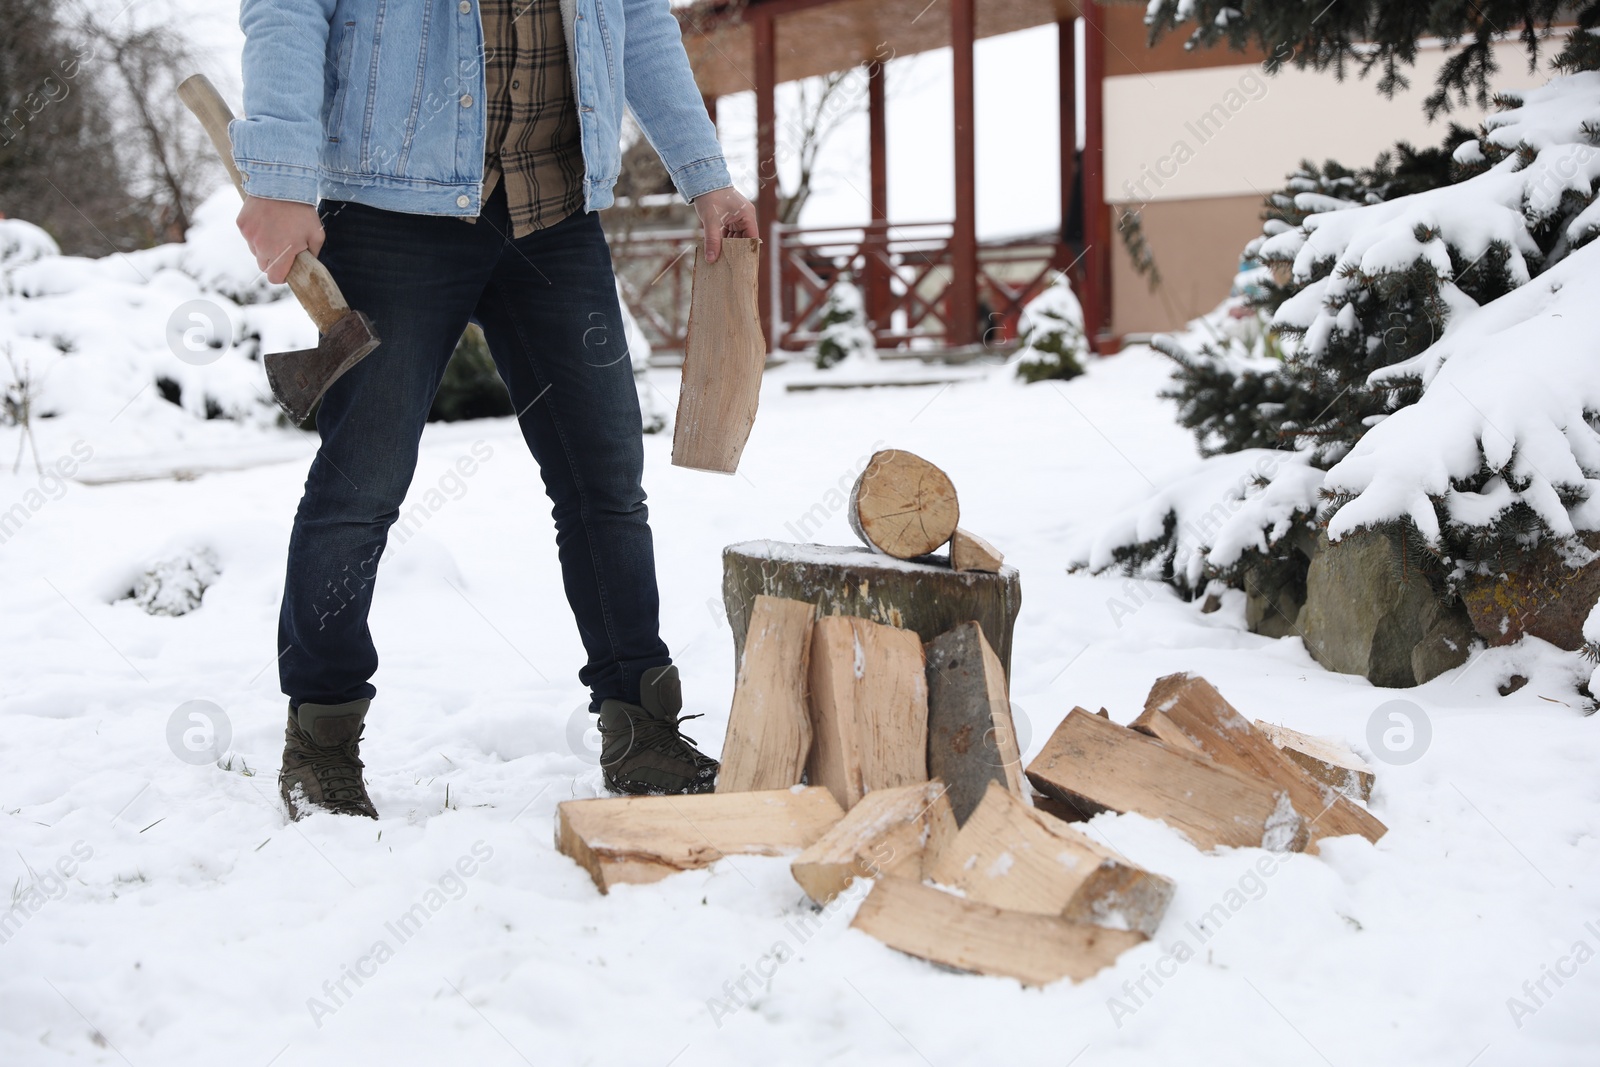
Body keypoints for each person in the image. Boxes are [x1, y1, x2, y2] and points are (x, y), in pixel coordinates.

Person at [230, 0, 756, 818]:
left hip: (554, 213)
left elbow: (641, 21)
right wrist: (282, 177)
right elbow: (289, 11)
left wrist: (705, 175)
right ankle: (321, 739)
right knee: (362, 483)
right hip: (391, 207)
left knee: (606, 475)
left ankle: (640, 726)